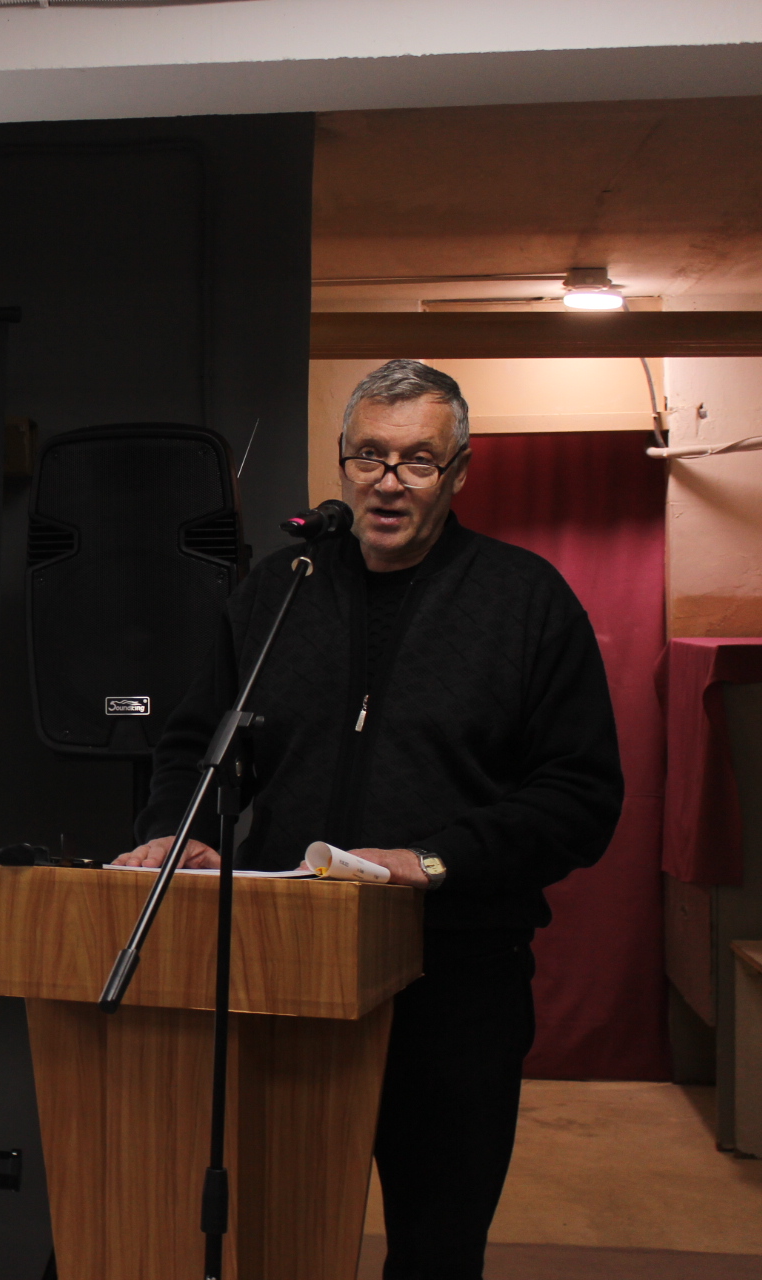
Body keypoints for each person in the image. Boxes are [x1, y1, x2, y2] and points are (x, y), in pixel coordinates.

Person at [113, 359, 622, 1280]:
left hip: (456, 976)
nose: (389, 483)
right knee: (281, 1236)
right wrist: (183, 828)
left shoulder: (526, 601)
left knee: (435, 1249)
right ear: (342, 462)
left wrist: (434, 859)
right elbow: (194, 744)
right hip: (288, 969)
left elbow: (580, 797)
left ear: (459, 473)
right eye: (369, 457)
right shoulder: (279, 591)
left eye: (418, 461)